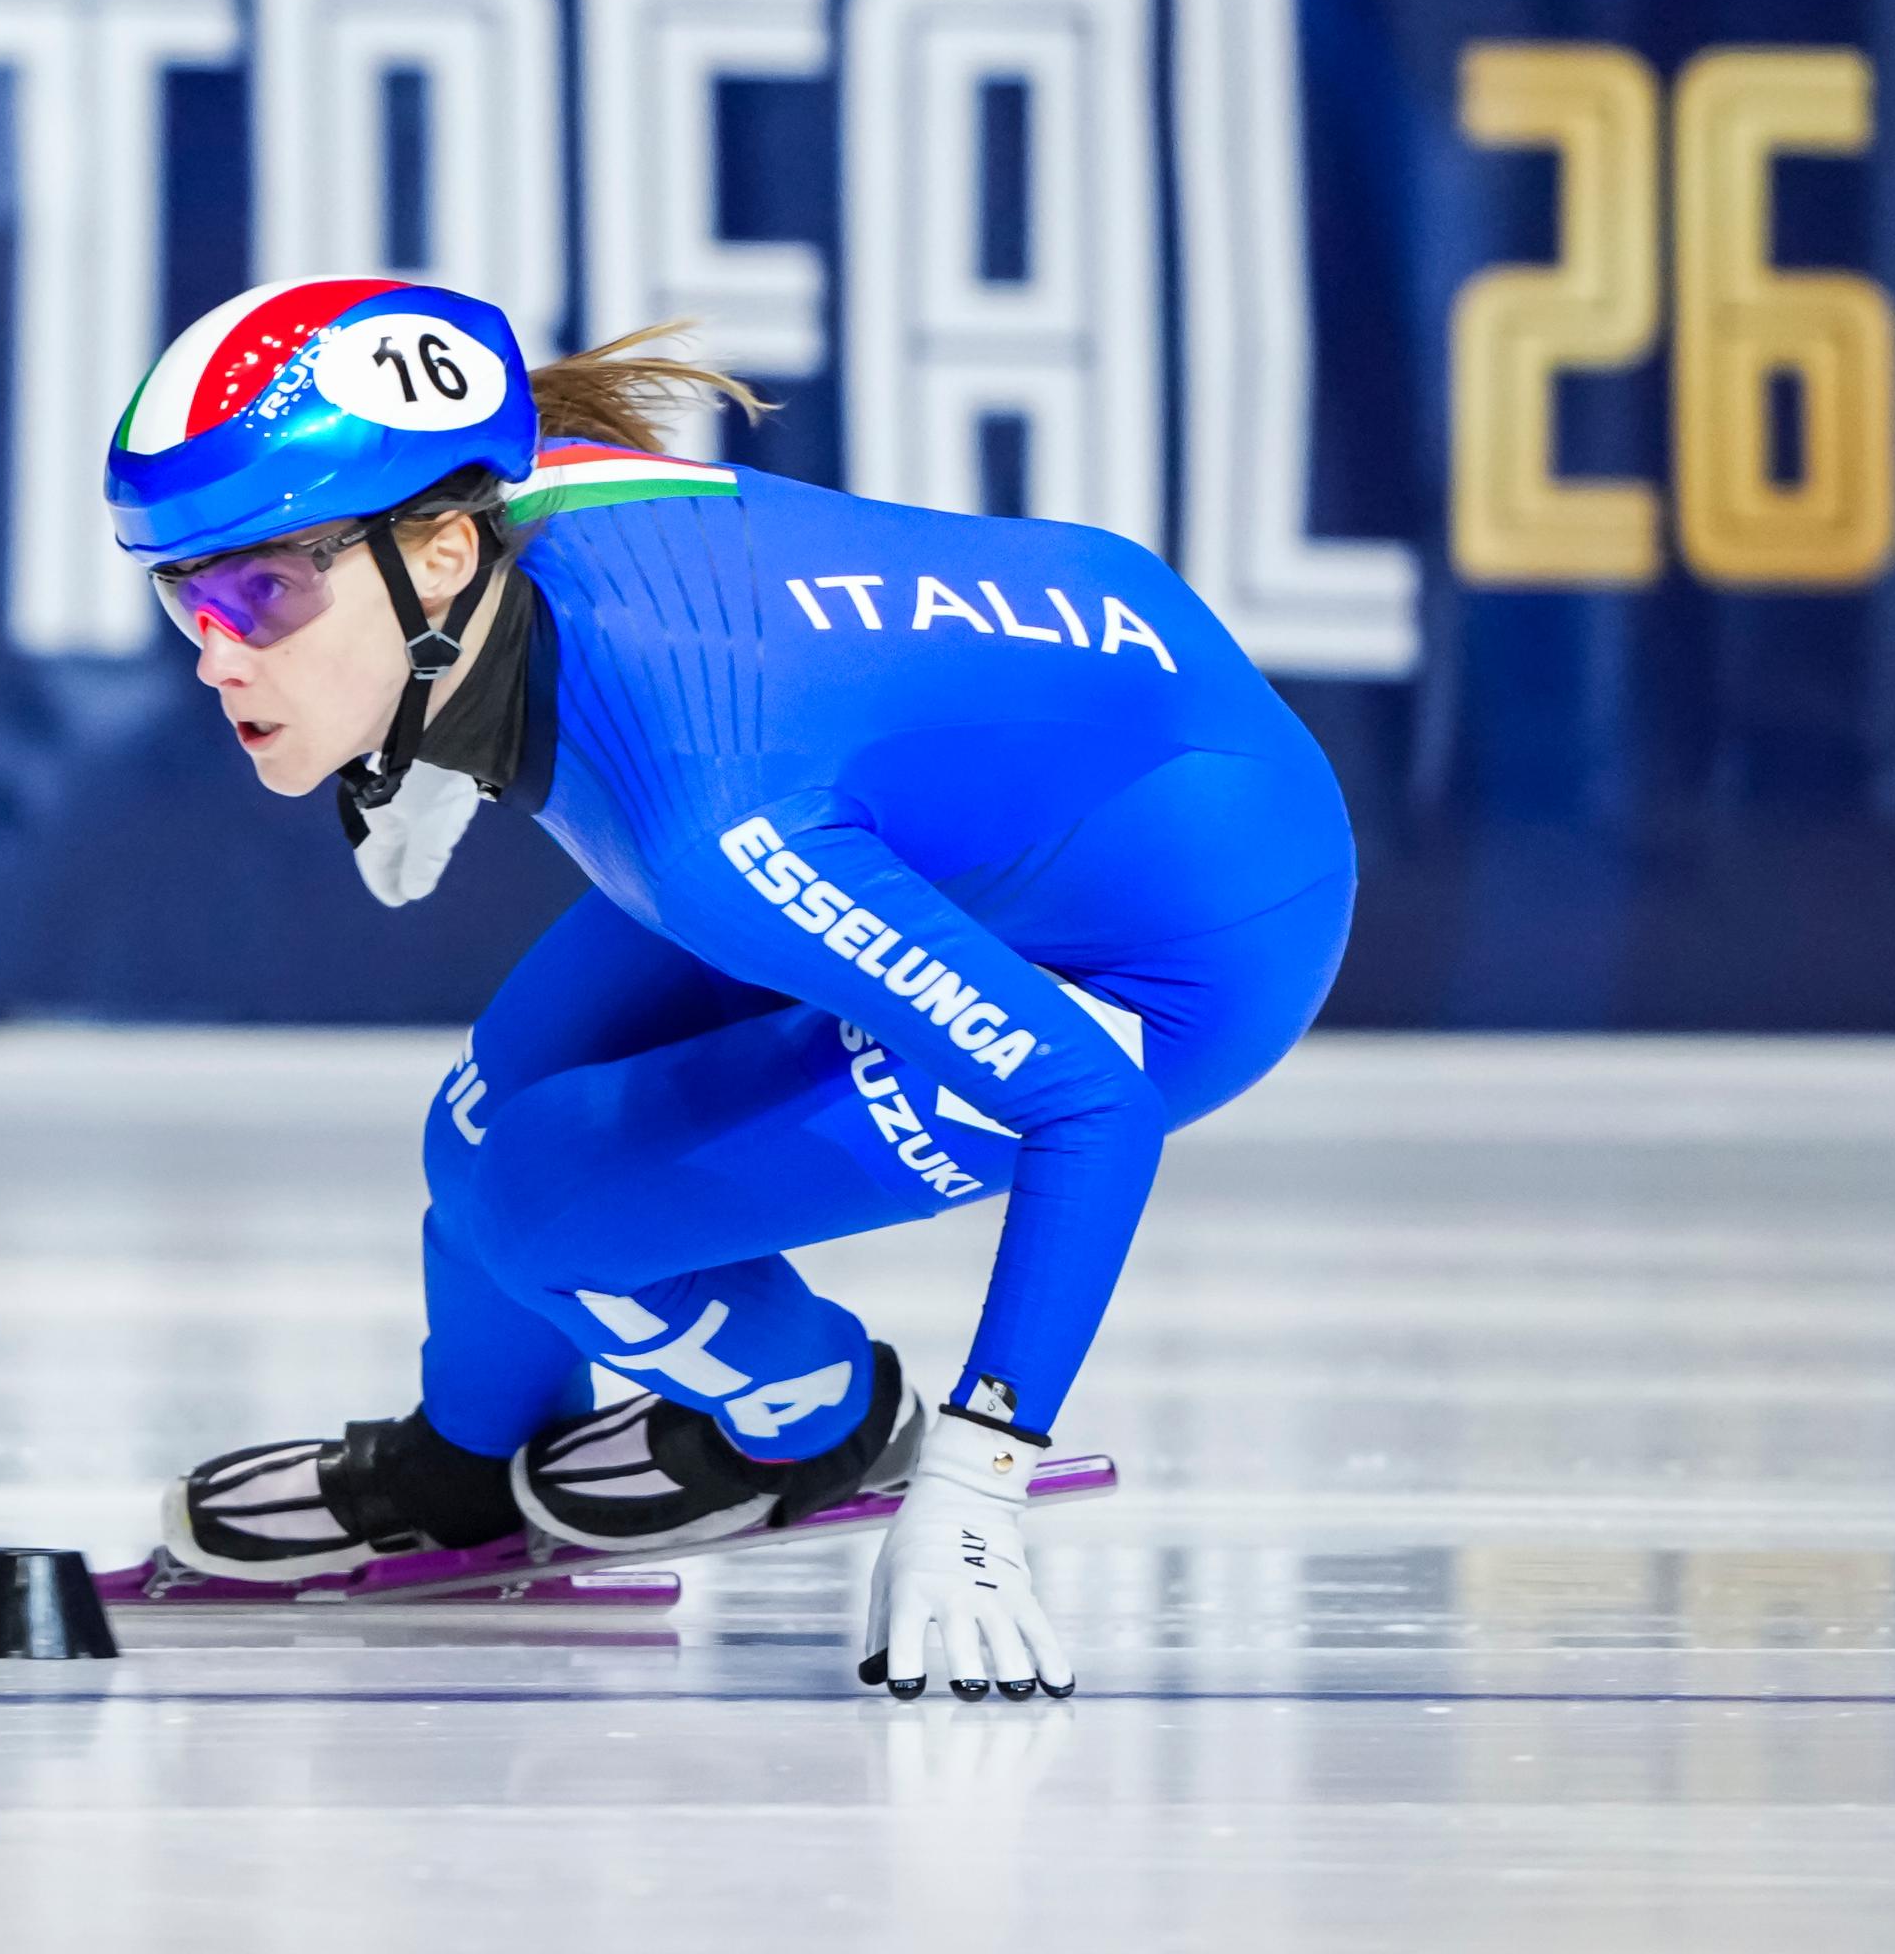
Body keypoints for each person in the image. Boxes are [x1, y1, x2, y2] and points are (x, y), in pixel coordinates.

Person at [108, 274, 1355, 1699]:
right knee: (479, 1121)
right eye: (184, 595)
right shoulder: (520, 510)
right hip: (995, 792)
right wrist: (420, 729)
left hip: (1179, 947)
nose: (216, 651)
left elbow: (1094, 1108)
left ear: (445, 558)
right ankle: (467, 1465)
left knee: (542, 1202)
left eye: (259, 589)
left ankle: (821, 1417)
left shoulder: (716, 826)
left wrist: (979, 1481)